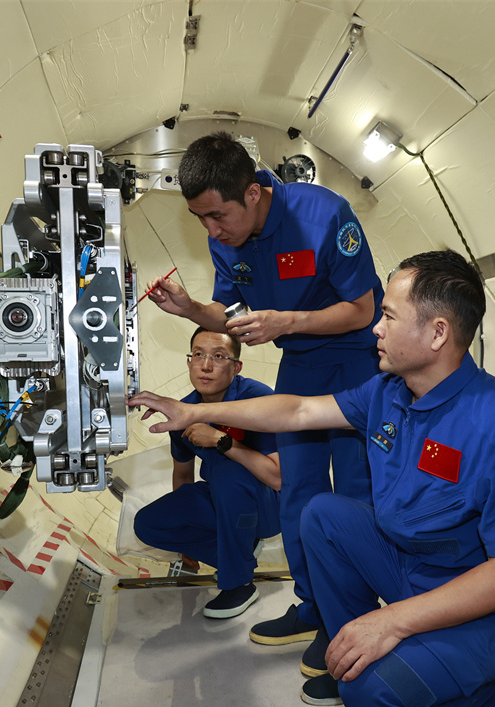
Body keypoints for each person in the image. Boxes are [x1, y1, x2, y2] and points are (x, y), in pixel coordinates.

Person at [129, 251, 495, 707]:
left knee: (375, 697)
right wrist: (191, 414)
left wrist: (390, 621)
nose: (375, 328)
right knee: (322, 514)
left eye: (389, 316)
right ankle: (353, 649)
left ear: (437, 333)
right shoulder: (389, 392)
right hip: (417, 570)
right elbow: (297, 411)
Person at [144, 132, 383, 672]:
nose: (212, 230)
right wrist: (190, 309)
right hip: (299, 360)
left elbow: (362, 310)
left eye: (218, 215)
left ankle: (351, 617)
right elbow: (229, 316)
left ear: (253, 193)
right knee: (298, 489)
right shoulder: (226, 239)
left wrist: (286, 321)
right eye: (200, 219)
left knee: (353, 491)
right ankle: (314, 606)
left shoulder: (325, 215)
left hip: (355, 360)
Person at [133, 328, 282, 619]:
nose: (206, 365)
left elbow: (277, 478)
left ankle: (238, 584)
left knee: (228, 472)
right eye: (198, 355)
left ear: (237, 367)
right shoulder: (183, 411)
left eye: (219, 356)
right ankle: (237, 554)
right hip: (220, 502)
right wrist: (186, 534)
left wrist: (221, 441)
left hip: (269, 506)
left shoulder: (258, 399)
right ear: (189, 362)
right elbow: (183, 476)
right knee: (148, 524)